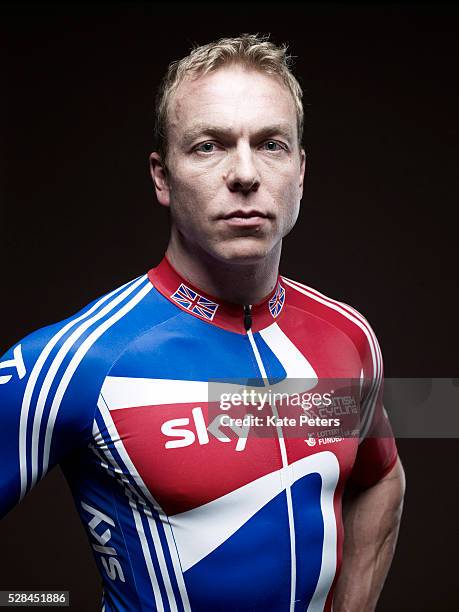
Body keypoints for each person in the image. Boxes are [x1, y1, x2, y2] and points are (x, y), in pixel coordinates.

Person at [0, 34, 405, 611]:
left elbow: (381, 477)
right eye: (210, 146)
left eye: (270, 144)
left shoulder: (348, 337)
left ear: (300, 172)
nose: (244, 173)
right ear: (162, 178)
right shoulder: (76, 362)